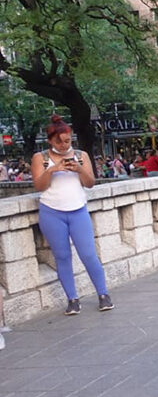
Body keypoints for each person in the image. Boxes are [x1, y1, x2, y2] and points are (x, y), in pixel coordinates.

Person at [30, 115, 114, 315]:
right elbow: (39, 186)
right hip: (52, 212)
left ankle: (103, 294)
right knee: (62, 256)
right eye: (58, 142)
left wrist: (78, 169)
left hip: (78, 210)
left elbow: (90, 183)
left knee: (88, 254)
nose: (63, 145)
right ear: (50, 140)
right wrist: (53, 170)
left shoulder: (80, 155)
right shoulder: (40, 158)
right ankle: (72, 299)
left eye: (67, 141)